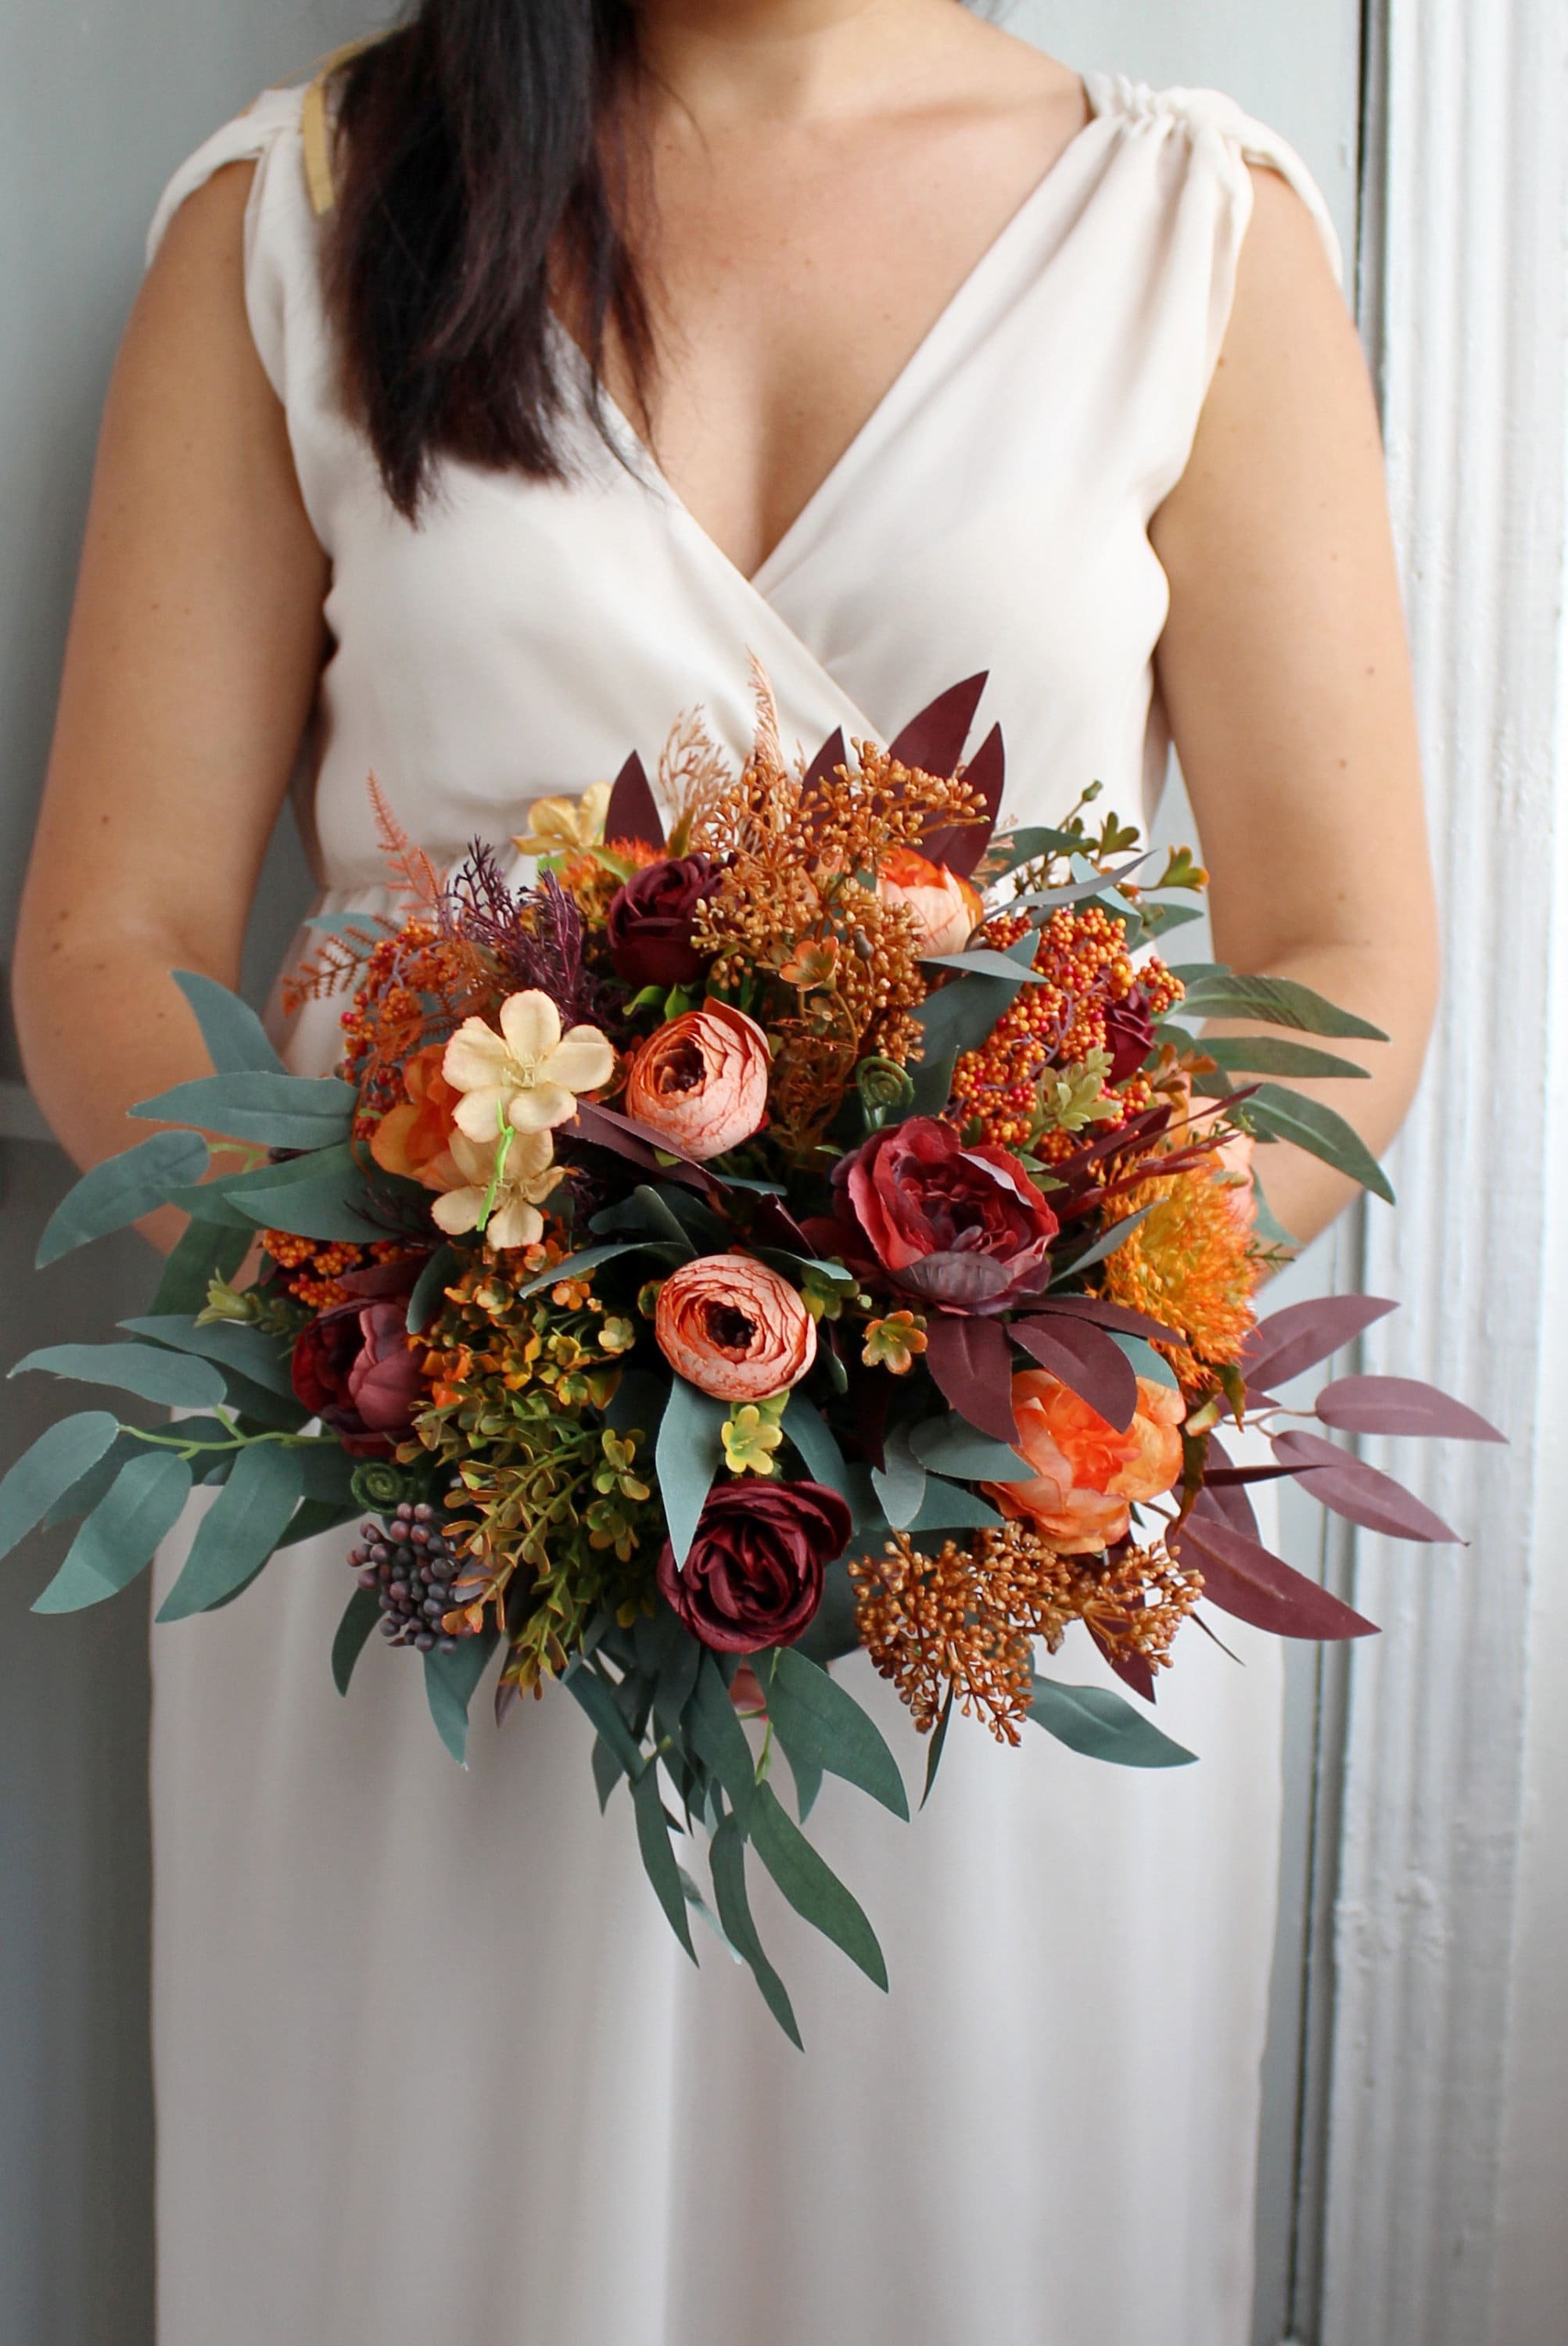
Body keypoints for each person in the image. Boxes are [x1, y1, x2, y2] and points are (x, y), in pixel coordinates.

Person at [13, 5, 1437, 2342]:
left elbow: (1343, 952)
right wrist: (430, 1358)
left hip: (997, 1565)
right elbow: (111, 931)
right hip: (429, 1549)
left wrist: (999, 1355)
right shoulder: (303, 217)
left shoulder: (1197, 235)